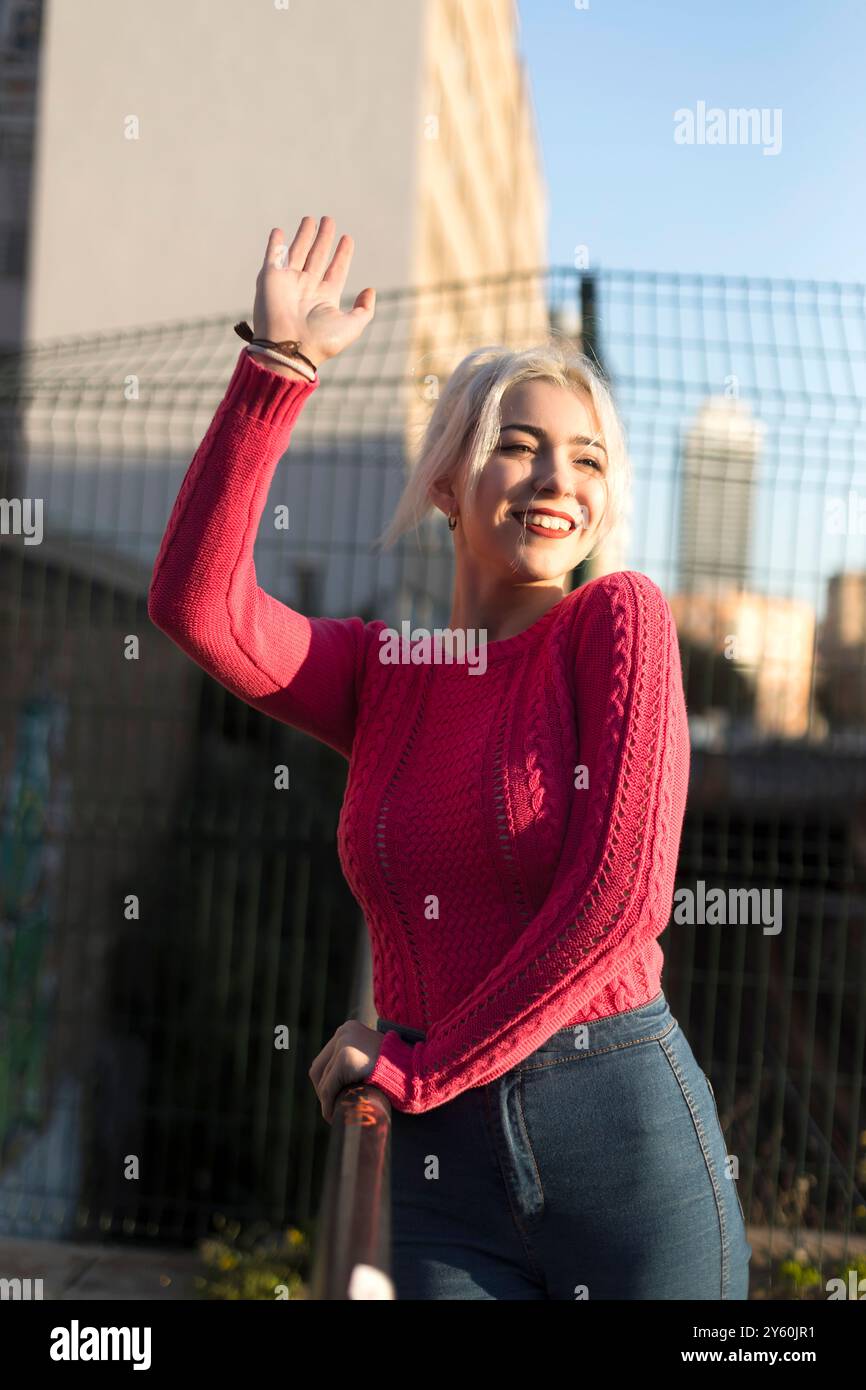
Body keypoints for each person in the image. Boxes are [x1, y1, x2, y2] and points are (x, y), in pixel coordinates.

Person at [148, 215, 752, 1300]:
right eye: (517, 443)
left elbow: (618, 900)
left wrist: (419, 1065)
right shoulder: (392, 673)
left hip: (616, 1135)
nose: (553, 477)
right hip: (436, 1156)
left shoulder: (615, 622)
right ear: (446, 481)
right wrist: (275, 370)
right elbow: (198, 605)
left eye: (586, 456)